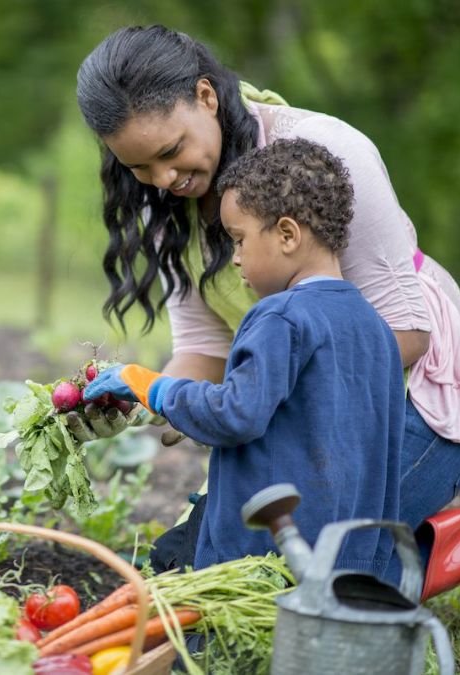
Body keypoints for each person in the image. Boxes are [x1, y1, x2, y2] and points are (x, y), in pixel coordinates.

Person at [73, 25, 460, 569]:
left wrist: (258, 402)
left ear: (206, 97)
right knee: (195, 560)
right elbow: (205, 347)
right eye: (140, 167)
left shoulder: (326, 152)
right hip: (284, 395)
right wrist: (145, 399)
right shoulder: (160, 202)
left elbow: (405, 334)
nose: (164, 180)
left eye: (172, 151)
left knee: (315, 560)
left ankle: (435, 553)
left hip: (404, 394)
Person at [84, 138, 404, 576]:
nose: (234, 259)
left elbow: (235, 415)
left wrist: (149, 385)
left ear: (287, 234)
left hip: (260, 557)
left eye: (238, 239)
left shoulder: (281, 317)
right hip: (347, 561)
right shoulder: (375, 327)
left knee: (179, 588)